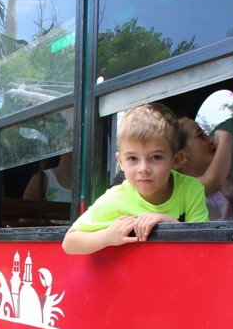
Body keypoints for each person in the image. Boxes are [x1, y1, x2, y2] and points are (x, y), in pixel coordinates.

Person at [63, 103, 209, 255]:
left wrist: (168, 222)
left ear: (176, 160)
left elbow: (204, 247)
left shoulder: (191, 189)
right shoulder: (116, 199)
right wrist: (107, 237)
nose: (143, 168)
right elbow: (70, 242)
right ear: (121, 162)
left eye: (156, 157)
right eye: (133, 158)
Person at [175, 117, 233, 221]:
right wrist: (225, 139)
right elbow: (213, 181)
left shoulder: (226, 178)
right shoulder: (179, 188)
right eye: (200, 136)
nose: (211, 140)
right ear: (181, 157)